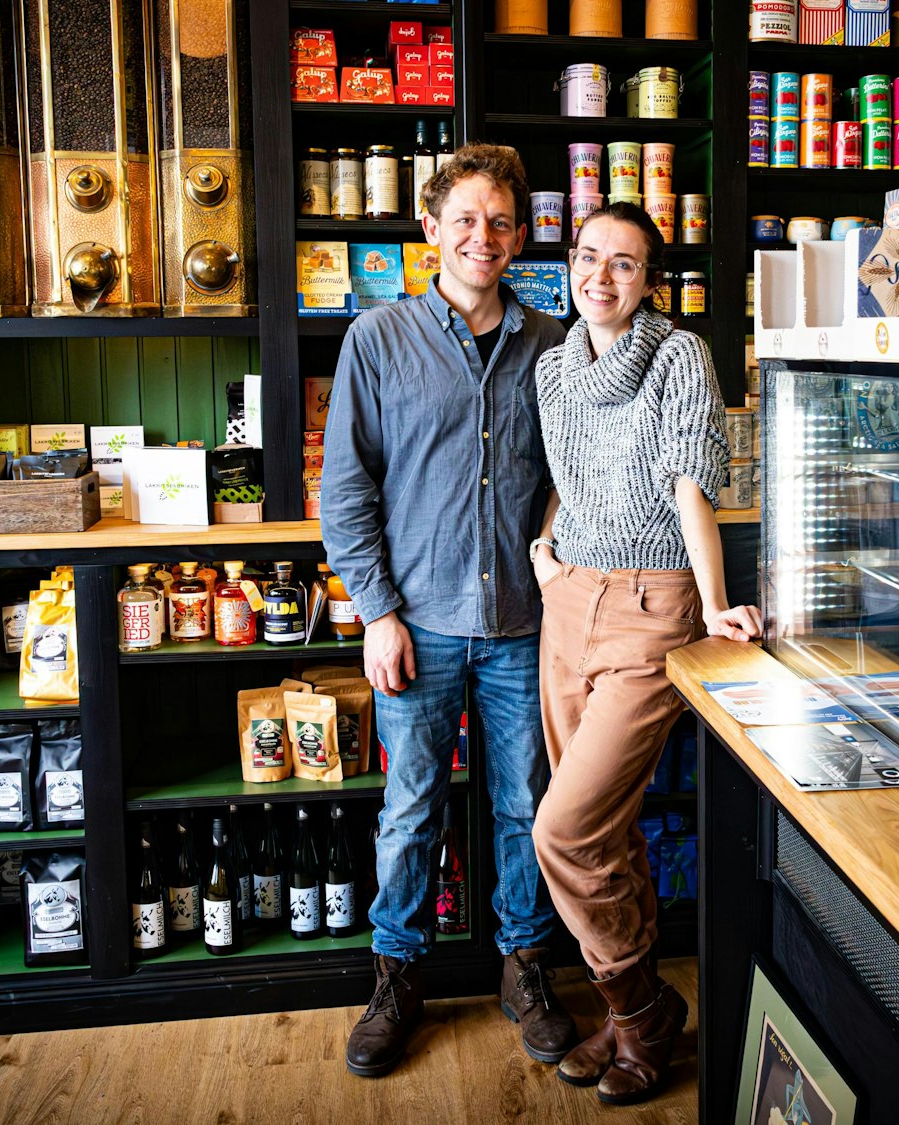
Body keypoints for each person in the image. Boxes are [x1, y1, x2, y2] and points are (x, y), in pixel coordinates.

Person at [321, 144, 576, 1078]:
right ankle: (396, 975)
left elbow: (574, 475)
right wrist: (377, 612)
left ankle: (524, 966)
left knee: (528, 805)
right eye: (465, 219)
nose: (483, 236)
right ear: (428, 229)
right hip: (418, 622)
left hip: (523, 623)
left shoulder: (555, 345)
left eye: (501, 222)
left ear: (520, 236)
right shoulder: (377, 339)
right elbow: (345, 493)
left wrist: (559, 547)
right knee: (411, 807)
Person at [528, 202, 762, 1105]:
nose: (602, 276)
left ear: (649, 280)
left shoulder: (678, 354)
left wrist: (711, 606)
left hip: (653, 603)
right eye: (590, 257)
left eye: (625, 264)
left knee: (566, 827)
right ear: (570, 265)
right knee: (607, 832)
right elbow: (564, 478)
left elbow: (689, 482)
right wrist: (545, 552)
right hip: (570, 599)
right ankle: (638, 1019)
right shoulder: (553, 367)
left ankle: (640, 1009)